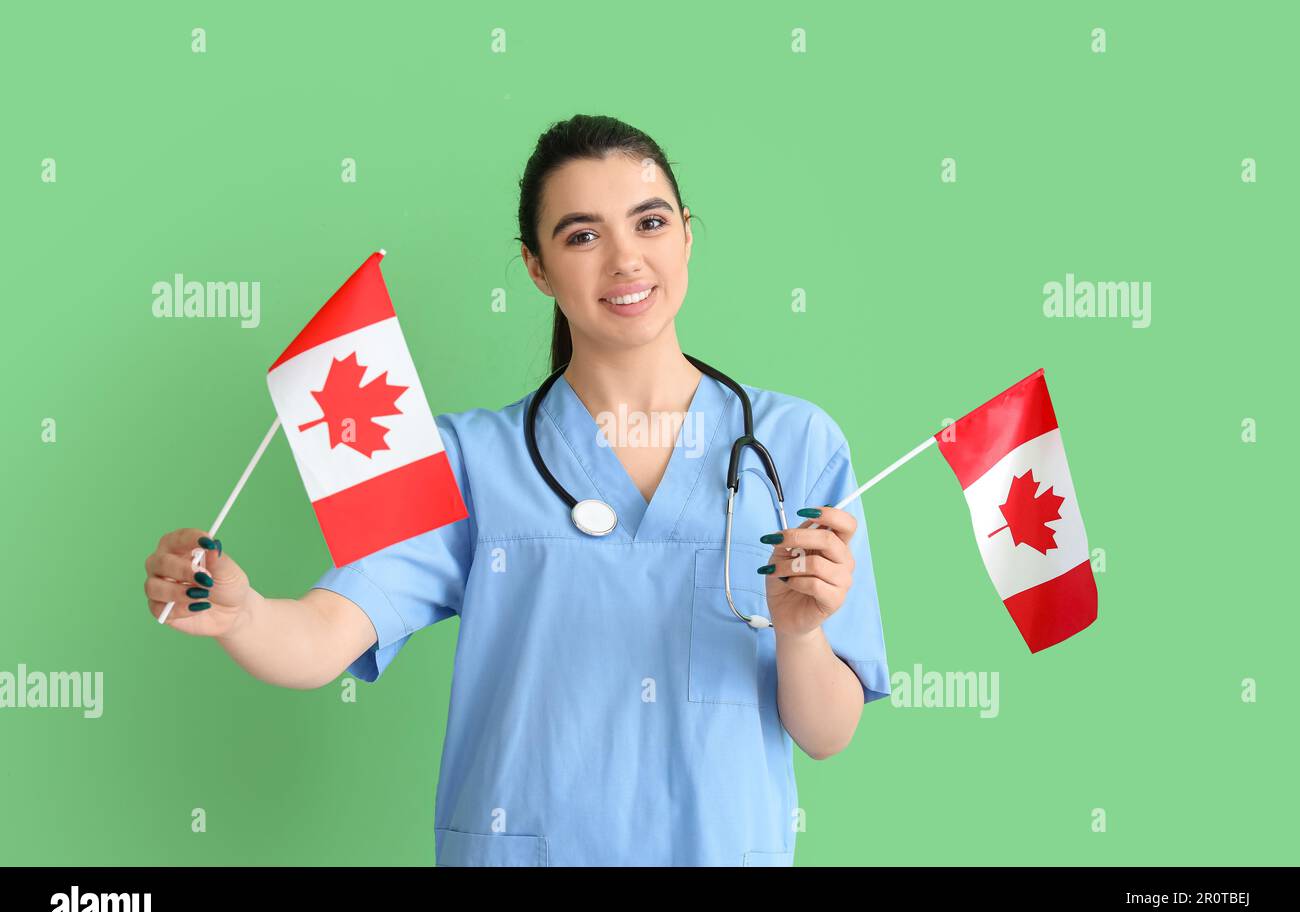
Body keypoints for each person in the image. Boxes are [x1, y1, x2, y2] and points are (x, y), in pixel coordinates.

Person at [144, 114, 891, 866]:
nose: (626, 260)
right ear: (537, 268)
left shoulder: (796, 445)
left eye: (650, 222)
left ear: (687, 235)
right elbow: (320, 637)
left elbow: (828, 734)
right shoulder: (471, 458)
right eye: (583, 236)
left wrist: (798, 629)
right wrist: (240, 615)